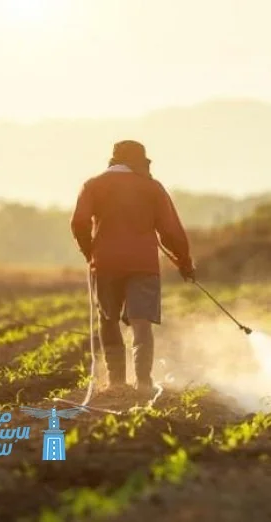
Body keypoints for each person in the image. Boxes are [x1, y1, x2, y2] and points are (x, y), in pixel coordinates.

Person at [70, 140, 195, 397]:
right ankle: (144, 383)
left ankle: (116, 381)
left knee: (108, 319)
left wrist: (89, 251)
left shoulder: (93, 185)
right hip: (143, 264)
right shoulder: (152, 187)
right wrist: (184, 262)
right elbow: (170, 231)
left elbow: (79, 222)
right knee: (141, 323)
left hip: (105, 263)